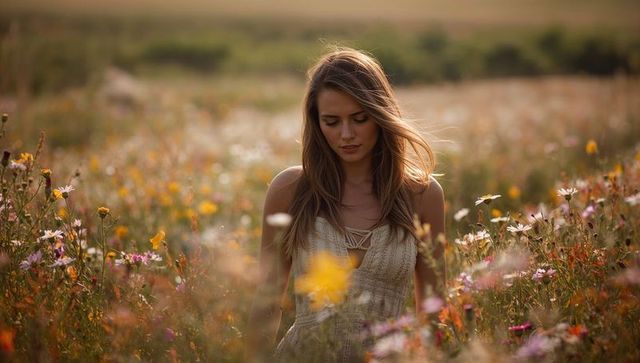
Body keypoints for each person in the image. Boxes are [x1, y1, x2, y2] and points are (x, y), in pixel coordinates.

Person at [246, 47, 445, 362]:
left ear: (380, 116)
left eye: (359, 118)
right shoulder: (290, 190)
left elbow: (432, 309)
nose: (346, 134)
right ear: (316, 122)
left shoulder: (422, 195)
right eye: (332, 121)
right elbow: (267, 301)